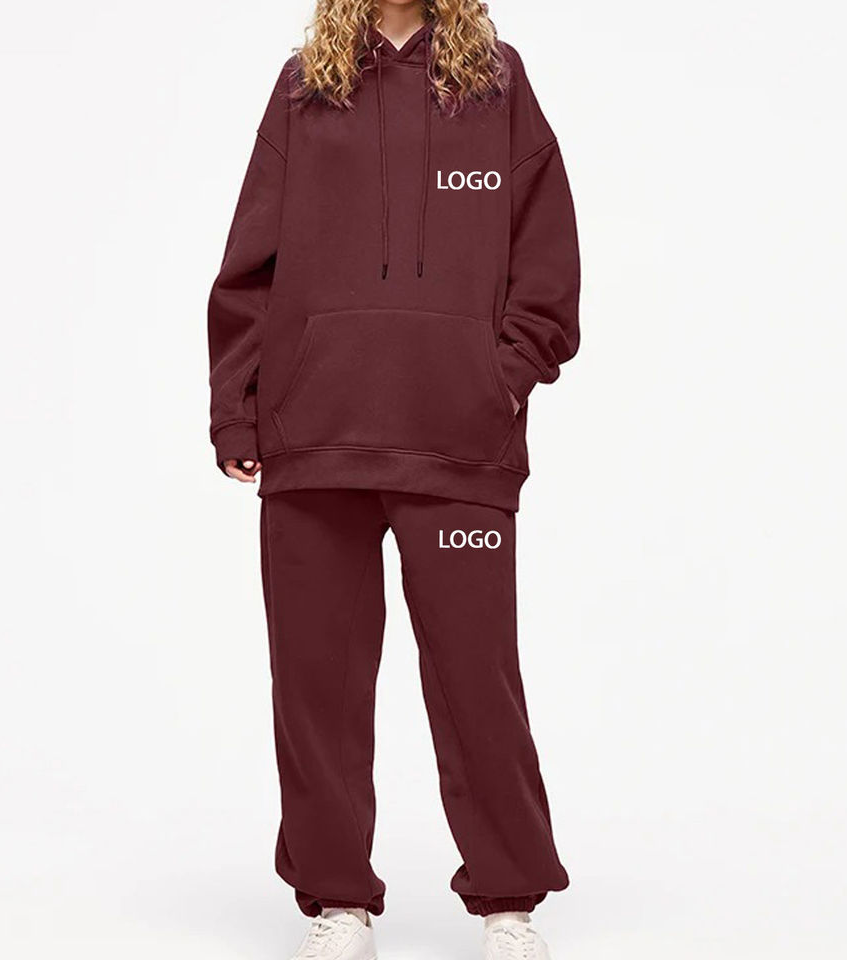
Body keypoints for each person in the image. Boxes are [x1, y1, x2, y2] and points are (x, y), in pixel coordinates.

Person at [207, 0, 580, 957]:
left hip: (458, 440)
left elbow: (547, 256)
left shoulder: (497, 80)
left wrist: (496, 379)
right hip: (314, 435)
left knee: (475, 674)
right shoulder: (305, 87)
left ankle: (508, 903)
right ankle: (339, 903)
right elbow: (249, 264)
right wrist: (238, 407)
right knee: (316, 683)